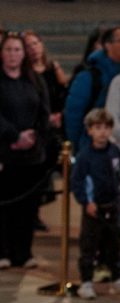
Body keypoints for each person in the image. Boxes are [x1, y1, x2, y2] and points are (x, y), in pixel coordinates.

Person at [0, 31, 50, 270]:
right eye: (8, 49)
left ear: (23, 54)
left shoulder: (34, 80)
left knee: (27, 207)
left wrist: (33, 136)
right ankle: (3, 251)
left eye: (17, 50)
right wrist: (14, 136)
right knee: (5, 206)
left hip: (31, 155)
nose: (13, 54)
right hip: (5, 152)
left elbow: (44, 111)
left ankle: (24, 252)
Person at [70, 108, 120, 300]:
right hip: (93, 208)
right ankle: (86, 281)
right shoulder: (85, 156)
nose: (102, 132)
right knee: (89, 245)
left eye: (106, 128)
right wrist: (86, 201)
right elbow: (77, 181)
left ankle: (116, 276)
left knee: (114, 243)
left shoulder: (115, 152)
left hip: (113, 206)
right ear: (90, 130)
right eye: (98, 128)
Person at [23, 29, 69, 231]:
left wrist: (60, 115)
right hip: (37, 128)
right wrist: (45, 118)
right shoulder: (24, 74)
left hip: (56, 129)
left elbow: (64, 93)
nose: (33, 48)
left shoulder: (53, 68)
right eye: (28, 45)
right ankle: (32, 215)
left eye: (35, 43)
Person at [64, 26, 120, 153]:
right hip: (94, 147)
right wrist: (78, 147)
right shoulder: (89, 76)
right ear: (108, 45)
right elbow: (74, 115)